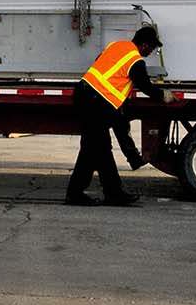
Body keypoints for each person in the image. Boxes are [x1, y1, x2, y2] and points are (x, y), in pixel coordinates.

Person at [65, 25, 172, 207]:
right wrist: (163, 95)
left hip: (86, 96)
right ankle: (93, 194)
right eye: (152, 48)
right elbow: (145, 86)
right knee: (96, 149)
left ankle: (108, 193)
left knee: (97, 149)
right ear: (145, 45)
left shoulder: (117, 46)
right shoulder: (135, 60)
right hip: (96, 102)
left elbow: (102, 64)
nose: (151, 51)